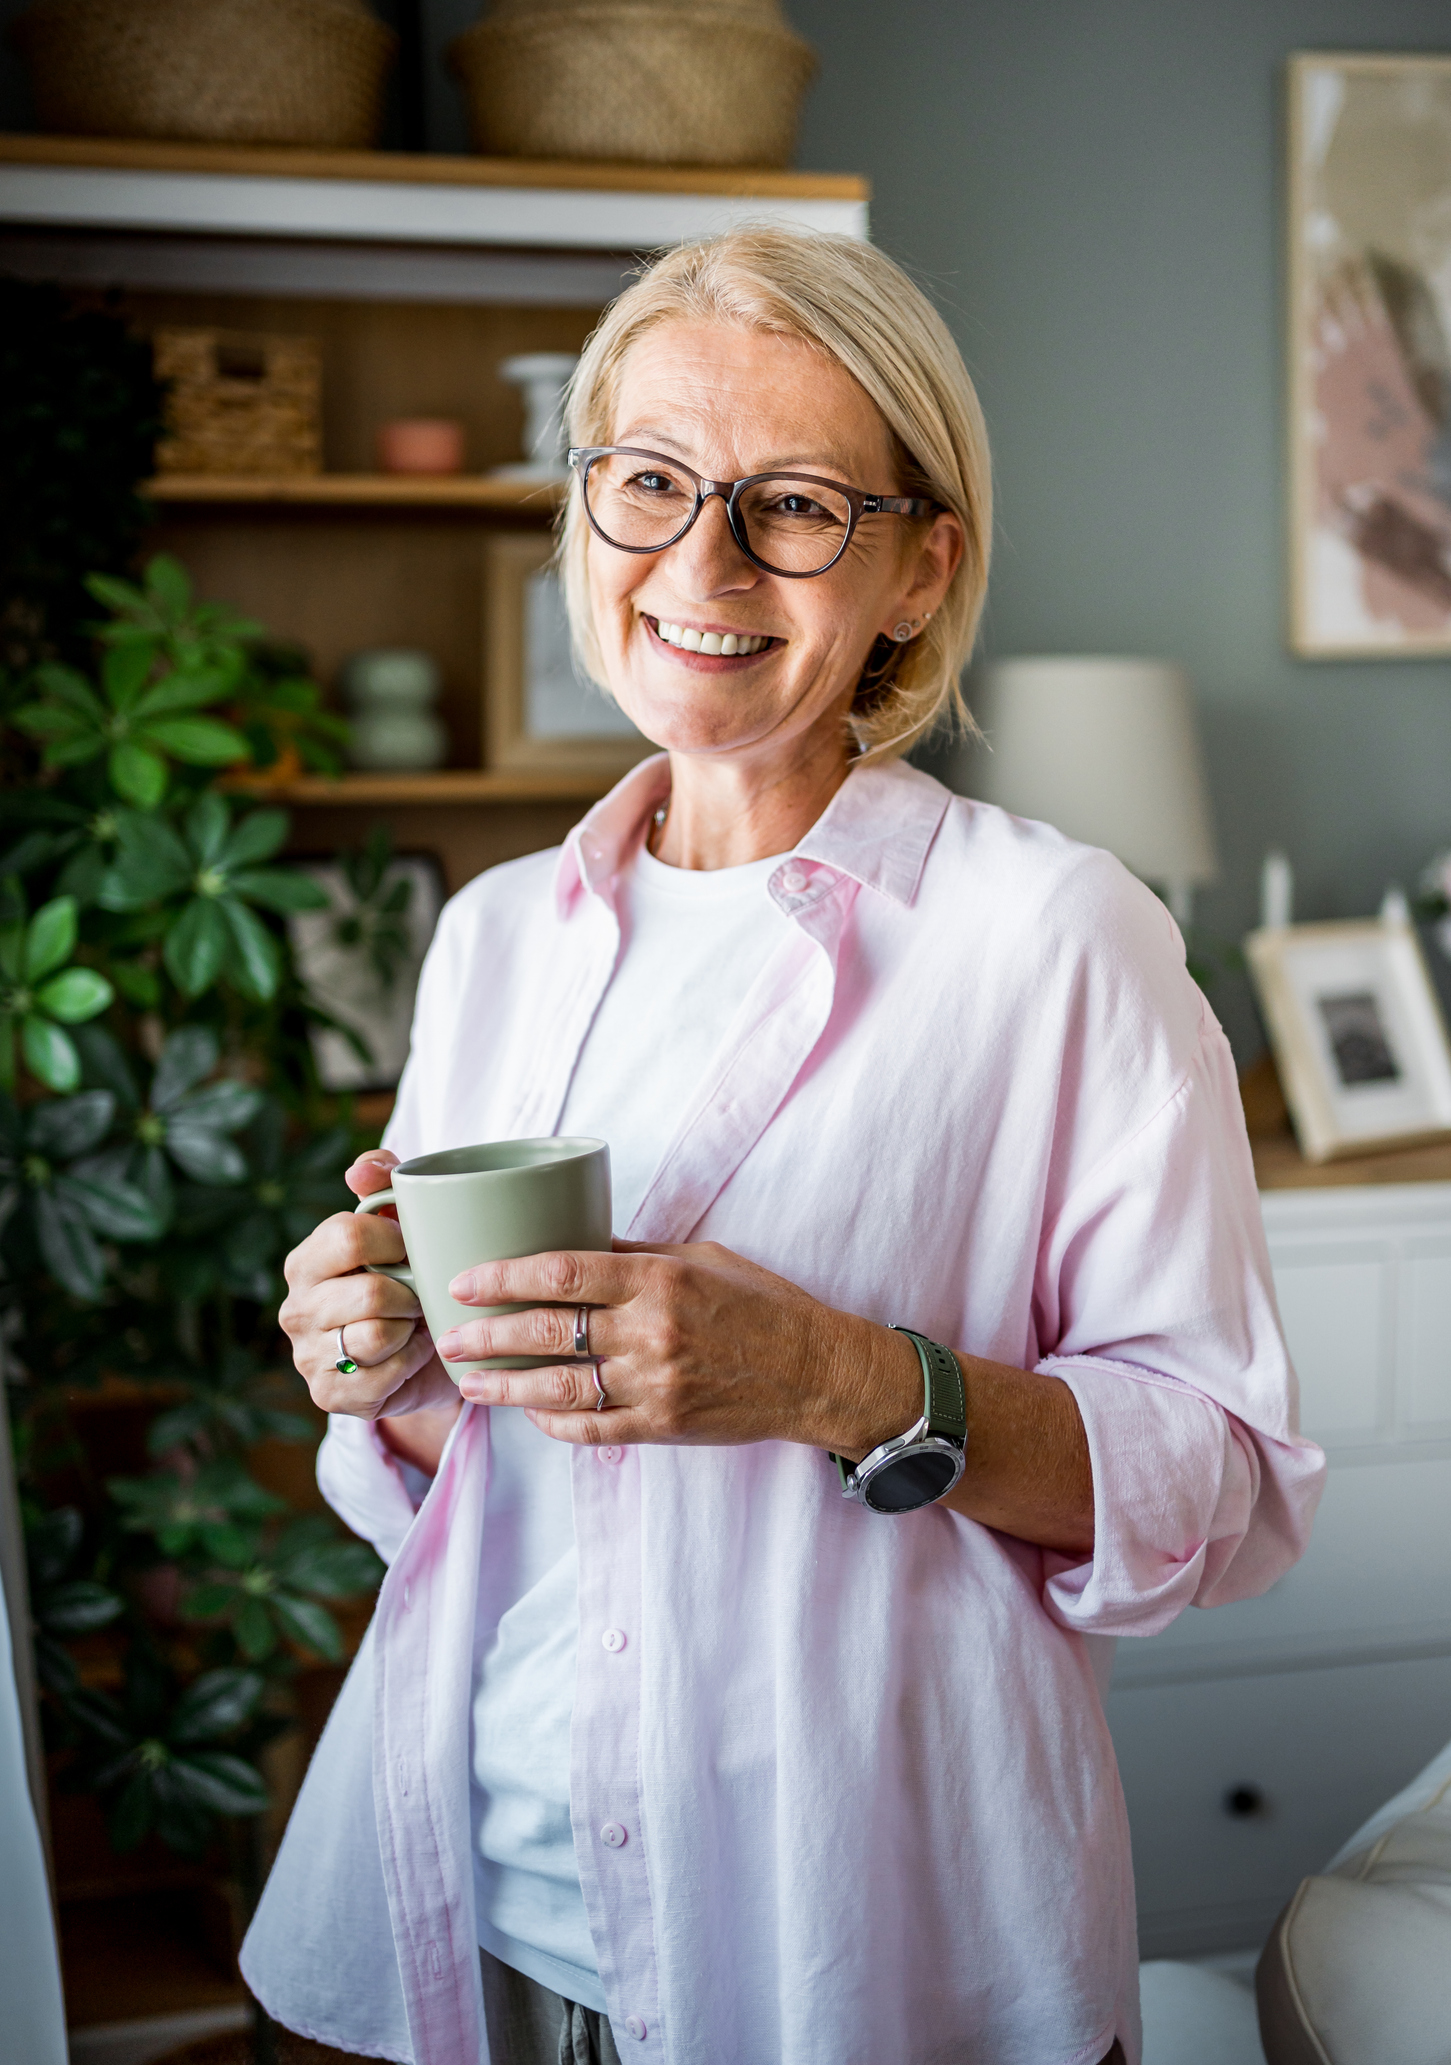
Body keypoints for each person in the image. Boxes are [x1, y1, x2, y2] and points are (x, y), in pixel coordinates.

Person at [241, 227, 1325, 2065]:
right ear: (583, 514)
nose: (703, 563)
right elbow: (469, 1473)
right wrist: (381, 1361)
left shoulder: (1063, 939)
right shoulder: (499, 931)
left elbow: (1220, 1483)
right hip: (488, 1912)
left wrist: (832, 1373)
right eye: (648, 483)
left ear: (920, 565)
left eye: (797, 505)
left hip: (867, 1952)